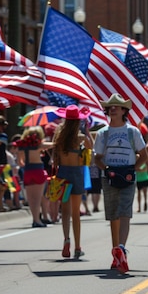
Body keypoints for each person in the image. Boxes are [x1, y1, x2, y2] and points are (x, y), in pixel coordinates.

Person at [94, 94, 148, 273]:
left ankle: (122, 248)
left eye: (117, 106)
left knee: (125, 213)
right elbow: (97, 158)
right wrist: (107, 169)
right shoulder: (103, 133)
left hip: (127, 177)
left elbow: (144, 155)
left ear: (125, 110)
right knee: (113, 216)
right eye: (110, 106)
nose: (113, 108)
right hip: (109, 178)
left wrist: (131, 169)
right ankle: (116, 254)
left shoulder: (132, 131)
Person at [53, 105, 93, 259]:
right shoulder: (80, 137)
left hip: (63, 172)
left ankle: (66, 241)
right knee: (76, 213)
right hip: (76, 173)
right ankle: (77, 247)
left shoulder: (59, 136)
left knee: (65, 211)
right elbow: (92, 147)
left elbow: (55, 157)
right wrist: (87, 130)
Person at [15, 126, 54, 228]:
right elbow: (53, 145)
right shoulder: (39, 145)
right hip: (38, 170)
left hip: (28, 171)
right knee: (37, 198)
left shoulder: (22, 146)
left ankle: (34, 219)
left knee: (31, 199)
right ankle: (38, 221)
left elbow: (20, 162)